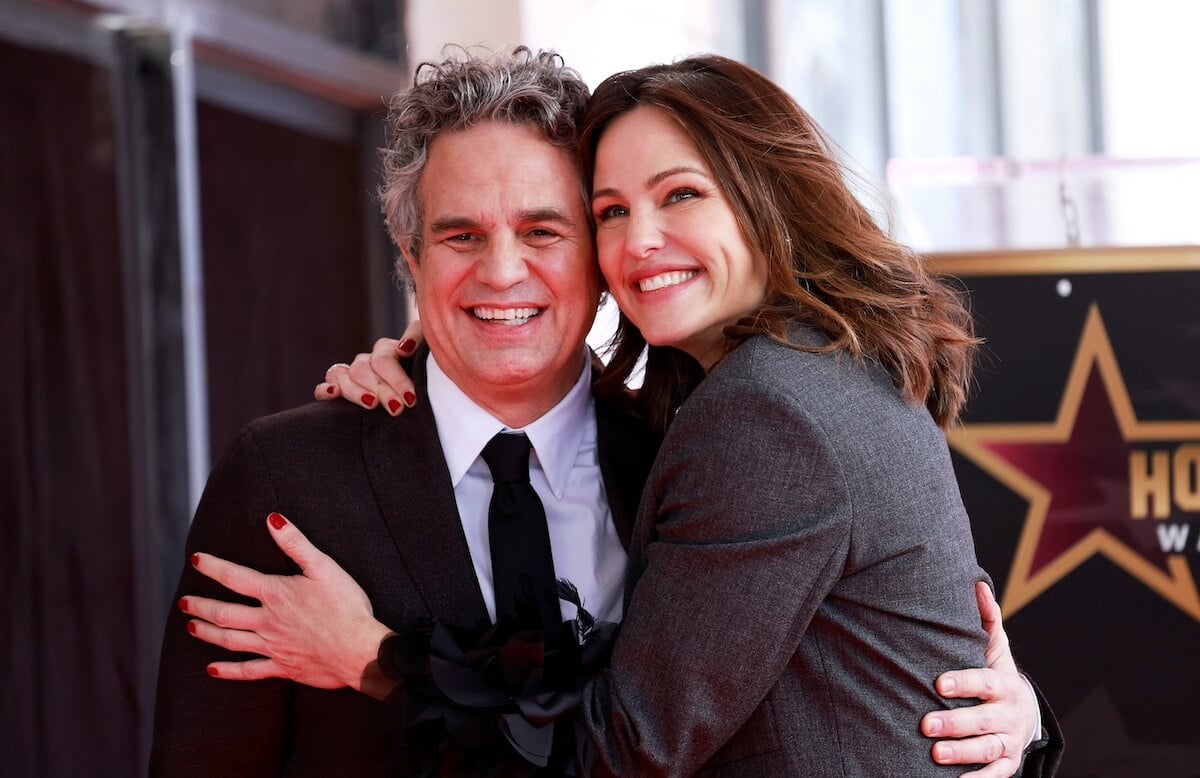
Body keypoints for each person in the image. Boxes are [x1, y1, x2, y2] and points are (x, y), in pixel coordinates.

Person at [165, 49, 1060, 776]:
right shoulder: (289, 478)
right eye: (460, 235)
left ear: (590, 263)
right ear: (411, 253)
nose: (503, 271)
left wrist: (1018, 719)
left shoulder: (699, 445)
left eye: (546, 230)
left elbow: (880, 647)